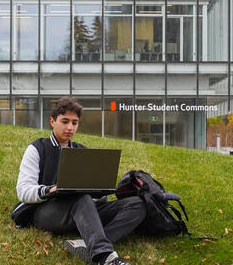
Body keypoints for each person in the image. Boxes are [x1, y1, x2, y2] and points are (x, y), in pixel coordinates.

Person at [14, 96, 146, 265]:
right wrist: (51, 190)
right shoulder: (37, 149)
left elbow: (98, 198)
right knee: (81, 197)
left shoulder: (82, 152)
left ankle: (88, 242)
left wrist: (100, 191)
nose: (70, 127)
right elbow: (23, 190)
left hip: (83, 212)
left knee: (137, 204)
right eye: (65, 121)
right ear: (52, 121)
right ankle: (105, 257)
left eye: (74, 123)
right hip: (46, 212)